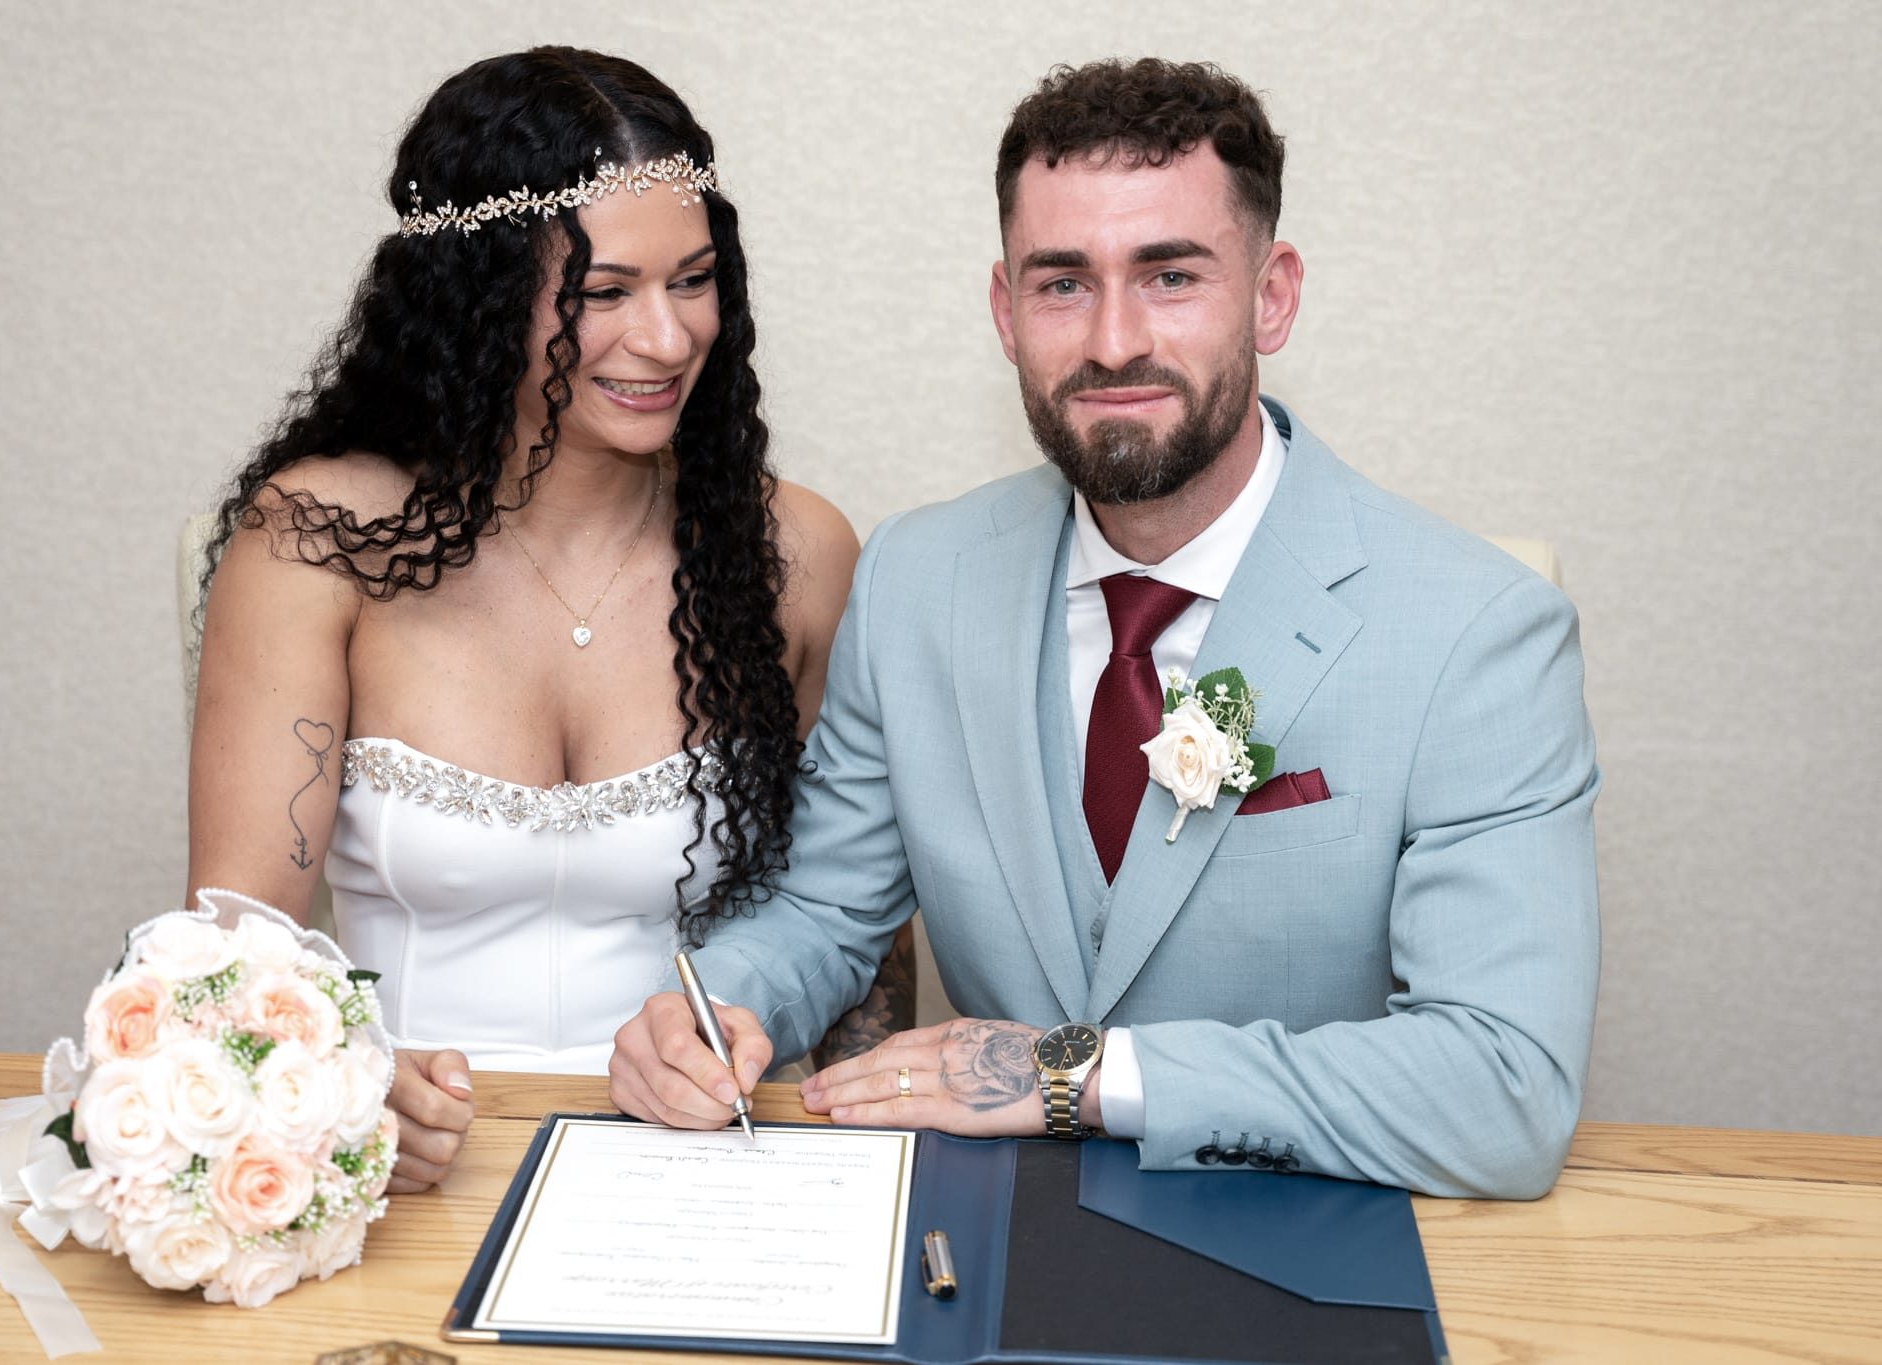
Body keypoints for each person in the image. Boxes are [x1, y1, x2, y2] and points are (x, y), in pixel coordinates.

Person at [609, 57, 1600, 1199]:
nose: (1113, 339)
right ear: (1003, 310)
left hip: (1315, 1250)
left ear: (1272, 294)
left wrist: (1079, 1076)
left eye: (1170, 275)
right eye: (1062, 283)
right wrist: (716, 1005)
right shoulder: (915, 580)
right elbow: (826, 908)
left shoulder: (1477, 633)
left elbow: (1501, 1090)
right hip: (974, 1240)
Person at [185, 47, 913, 1194]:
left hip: (714, 1159)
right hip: (400, 1163)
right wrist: (339, 1081)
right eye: (603, 292)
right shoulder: (317, 540)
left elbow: (851, 908)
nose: (667, 338)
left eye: (693, 280)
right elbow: (235, 939)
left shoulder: (797, 555)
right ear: (477, 296)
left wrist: (871, 1143)